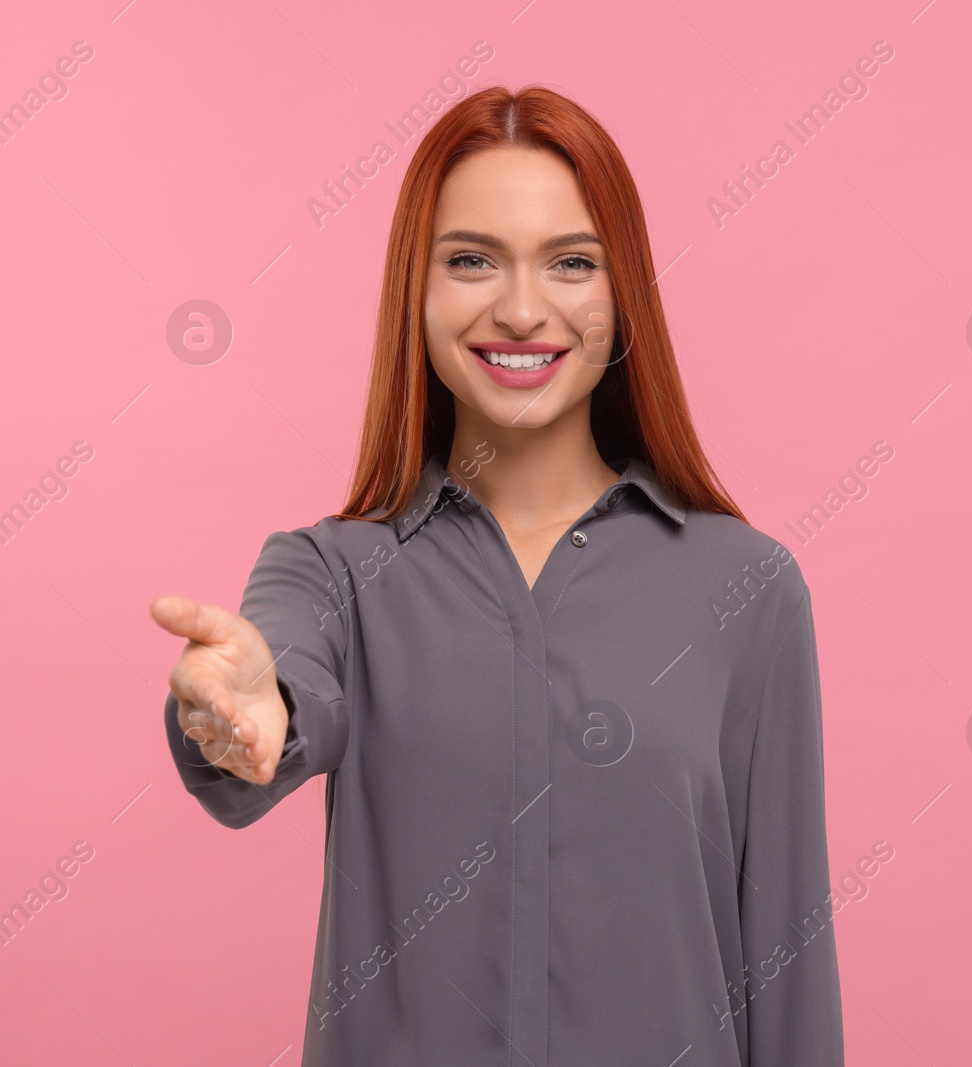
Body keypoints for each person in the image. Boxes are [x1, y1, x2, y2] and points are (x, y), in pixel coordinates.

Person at [149, 85, 844, 1066]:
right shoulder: (329, 571)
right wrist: (241, 710)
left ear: (623, 295)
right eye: (471, 260)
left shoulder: (750, 591)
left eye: (570, 263)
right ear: (416, 293)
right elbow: (278, 683)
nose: (522, 310)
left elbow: (787, 971)